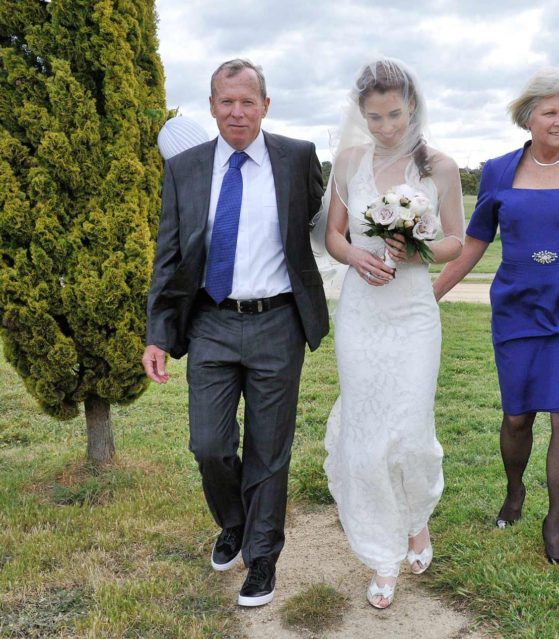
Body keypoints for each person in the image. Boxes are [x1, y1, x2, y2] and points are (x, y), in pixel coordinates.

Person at [142, 59, 328, 607]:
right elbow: (169, 255)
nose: (238, 112)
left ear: (265, 106)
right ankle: (233, 521)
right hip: (211, 322)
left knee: (269, 450)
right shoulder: (186, 169)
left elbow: (319, 225)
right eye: (227, 101)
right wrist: (158, 334)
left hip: (278, 322)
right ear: (212, 106)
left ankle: (262, 555)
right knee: (209, 445)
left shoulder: (297, 158)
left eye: (248, 101)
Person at [434, 69, 559, 566]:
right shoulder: (499, 171)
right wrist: (431, 294)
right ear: (528, 118)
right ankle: (515, 490)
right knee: (518, 416)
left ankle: (555, 523)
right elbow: (475, 242)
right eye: (550, 112)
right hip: (517, 309)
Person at [322, 58, 464, 608]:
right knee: (365, 438)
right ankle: (383, 554)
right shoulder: (348, 163)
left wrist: (418, 250)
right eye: (375, 117)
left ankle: (415, 520)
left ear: (413, 108)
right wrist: (356, 257)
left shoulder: (440, 167)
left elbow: (457, 241)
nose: (385, 127)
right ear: (362, 114)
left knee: (410, 431)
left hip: (412, 316)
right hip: (361, 312)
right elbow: (334, 236)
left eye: (395, 115)